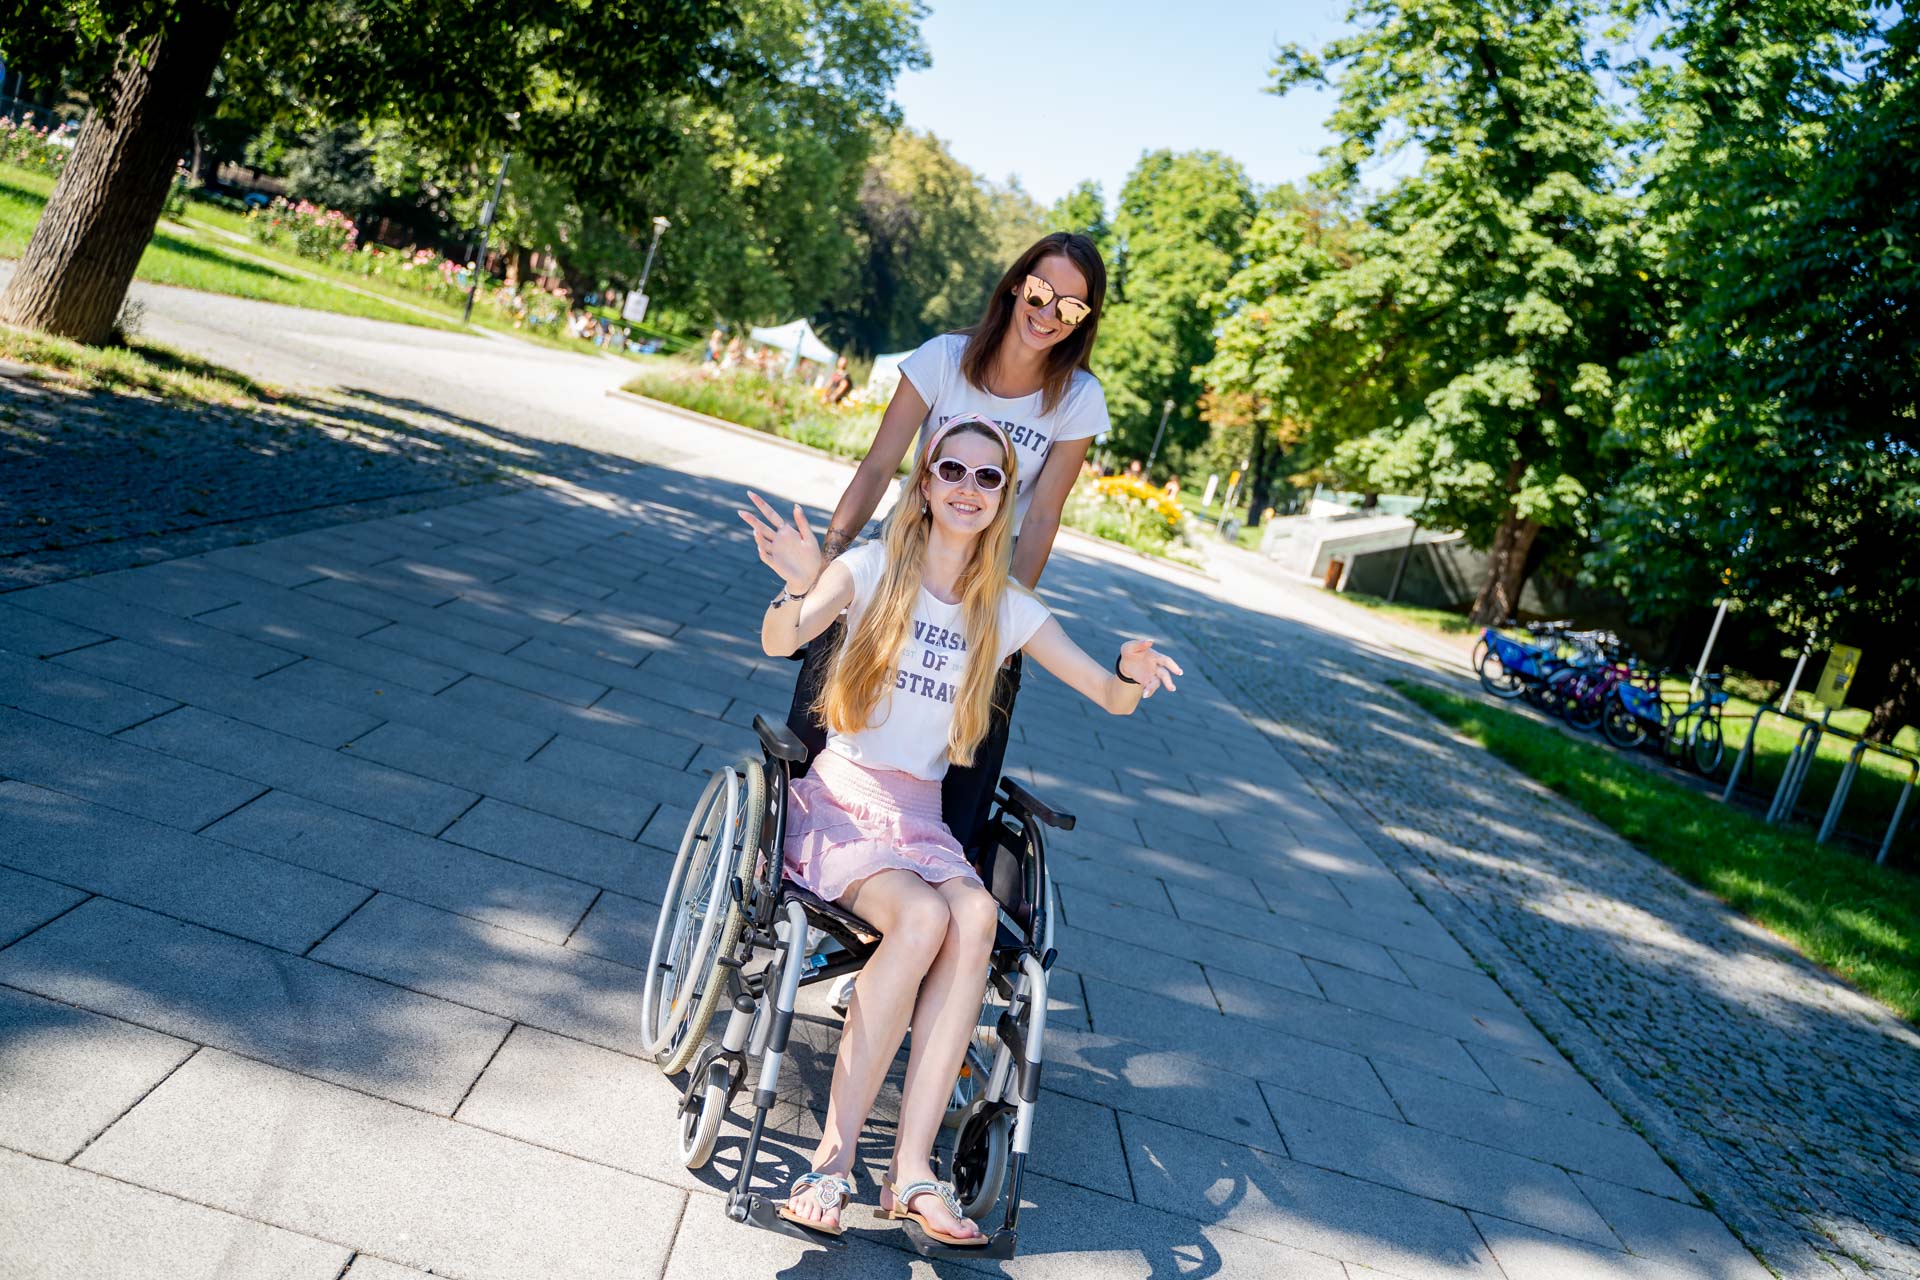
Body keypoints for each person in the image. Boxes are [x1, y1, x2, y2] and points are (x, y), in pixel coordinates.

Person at [738, 415, 1180, 1246]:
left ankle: (913, 1174)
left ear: (1006, 498)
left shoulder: (1006, 610)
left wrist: (1127, 672)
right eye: (953, 470)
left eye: (990, 478)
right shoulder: (869, 568)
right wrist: (802, 585)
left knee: (975, 918)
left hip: (924, 817)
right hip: (843, 796)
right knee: (926, 917)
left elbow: (1107, 693)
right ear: (925, 483)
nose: (969, 489)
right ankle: (832, 1165)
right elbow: (778, 639)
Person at [788, 232, 1111, 861]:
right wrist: (829, 558)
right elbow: (881, 464)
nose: (1049, 316)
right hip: (906, 557)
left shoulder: (1077, 398)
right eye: (1042, 294)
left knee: (976, 729)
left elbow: (1043, 515)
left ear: (1085, 319)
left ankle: (937, 874)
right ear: (1018, 284)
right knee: (825, 699)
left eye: (1071, 308)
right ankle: (797, 847)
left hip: (982, 576)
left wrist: (1003, 612)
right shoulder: (944, 358)